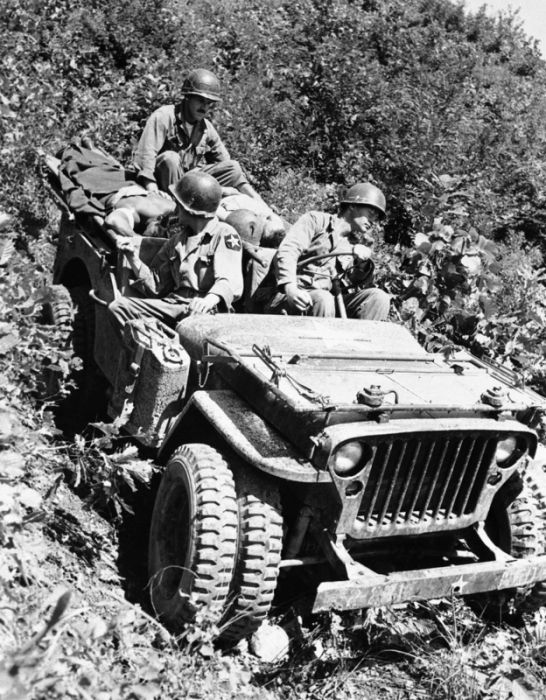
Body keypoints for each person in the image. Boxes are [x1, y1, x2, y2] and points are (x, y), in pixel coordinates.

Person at [108, 170, 243, 331]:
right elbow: (156, 287)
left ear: (189, 207)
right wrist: (132, 257)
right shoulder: (176, 241)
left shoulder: (224, 234)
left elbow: (229, 281)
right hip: (175, 306)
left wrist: (208, 301)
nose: (175, 207)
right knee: (120, 307)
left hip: (208, 312)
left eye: (179, 203)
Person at [132, 68, 265, 205]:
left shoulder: (206, 128)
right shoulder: (164, 116)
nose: (205, 107)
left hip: (189, 180)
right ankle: (191, 201)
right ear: (188, 97)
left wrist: (258, 201)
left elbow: (227, 166)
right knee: (170, 158)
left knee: (234, 167)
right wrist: (151, 188)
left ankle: (255, 202)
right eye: (201, 100)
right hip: (165, 180)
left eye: (209, 103)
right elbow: (146, 155)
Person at [269, 182, 391, 319]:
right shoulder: (316, 221)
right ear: (352, 206)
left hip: (327, 304)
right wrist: (290, 288)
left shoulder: (356, 244)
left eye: (376, 217)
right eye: (371, 213)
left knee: (378, 298)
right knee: (323, 298)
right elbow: (288, 251)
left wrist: (361, 263)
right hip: (292, 297)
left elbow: (357, 280)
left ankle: (360, 340)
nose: (373, 221)